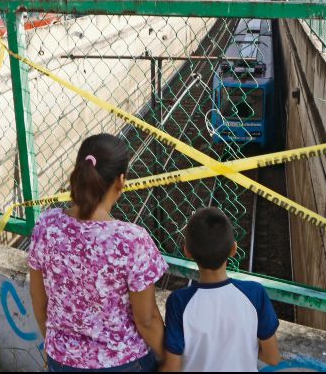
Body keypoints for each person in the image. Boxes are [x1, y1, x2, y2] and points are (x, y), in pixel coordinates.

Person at [28, 133, 168, 372]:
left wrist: (58, 348)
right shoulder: (131, 240)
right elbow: (147, 320)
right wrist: (171, 359)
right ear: (121, 181)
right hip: (123, 363)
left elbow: (39, 300)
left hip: (61, 360)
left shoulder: (46, 225)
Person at [162, 207, 281, 372]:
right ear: (234, 249)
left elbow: (172, 368)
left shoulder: (179, 302)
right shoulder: (255, 294)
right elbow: (272, 357)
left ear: (187, 252)